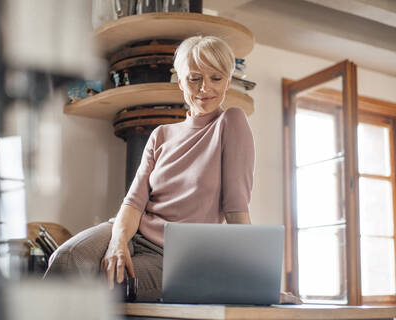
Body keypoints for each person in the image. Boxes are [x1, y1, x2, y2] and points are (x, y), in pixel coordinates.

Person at [44, 35, 298, 304]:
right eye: (194, 78)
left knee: (98, 282)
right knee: (65, 258)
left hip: (178, 257)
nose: (205, 88)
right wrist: (118, 243)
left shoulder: (231, 122)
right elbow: (133, 202)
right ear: (180, 82)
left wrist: (258, 285)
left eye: (216, 77)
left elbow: (236, 209)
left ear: (227, 80)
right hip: (131, 231)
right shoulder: (161, 134)